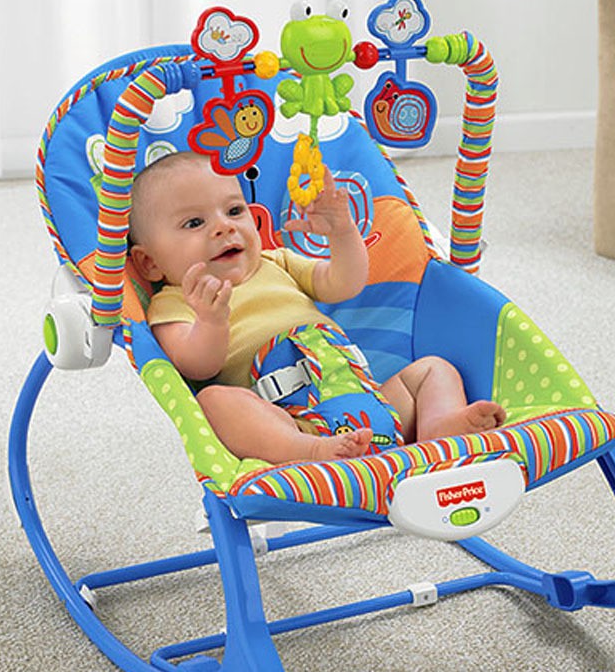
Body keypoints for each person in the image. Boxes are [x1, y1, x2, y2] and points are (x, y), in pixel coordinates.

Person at [128, 151, 505, 464]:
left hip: (370, 402)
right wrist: (211, 321)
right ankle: (308, 452)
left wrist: (342, 234)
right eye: (194, 222)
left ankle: (438, 428)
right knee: (214, 402)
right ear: (150, 263)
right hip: (287, 419)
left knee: (433, 369)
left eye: (235, 210)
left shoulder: (276, 262)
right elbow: (196, 367)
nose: (224, 227)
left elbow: (344, 283)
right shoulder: (174, 302)